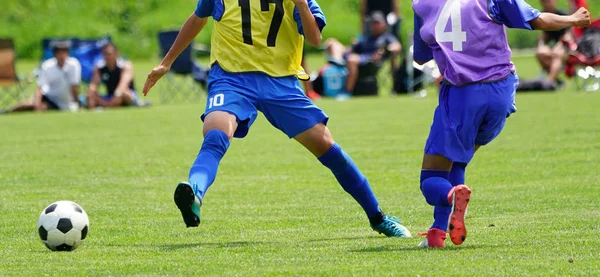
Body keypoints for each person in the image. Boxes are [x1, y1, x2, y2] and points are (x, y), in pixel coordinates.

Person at [142, 0, 411, 237]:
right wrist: (167, 62)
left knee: (328, 148)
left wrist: (302, 4)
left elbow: (315, 39)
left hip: (280, 83)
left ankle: (378, 217)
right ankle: (195, 194)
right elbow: (198, 16)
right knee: (215, 135)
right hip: (232, 79)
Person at [412, 0, 590, 248]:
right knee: (458, 160)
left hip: (462, 96)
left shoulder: (423, 4)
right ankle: (437, 234)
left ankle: (450, 196)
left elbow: (420, 57)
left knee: (431, 178)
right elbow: (535, 19)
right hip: (501, 92)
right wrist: (572, 19)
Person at [9, 41, 81, 113]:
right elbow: (40, 87)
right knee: (28, 105)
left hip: (62, 102)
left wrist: (77, 104)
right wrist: (37, 104)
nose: (61, 55)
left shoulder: (73, 65)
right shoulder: (47, 66)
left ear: (68, 53)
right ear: (55, 54)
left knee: (43, 107)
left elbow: (74, 86)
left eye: (64, 52)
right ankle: (8, 111)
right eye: (59, 52)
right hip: (48, 95)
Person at [342, 11, 401, 95]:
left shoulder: (386, 37)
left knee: (351, 60)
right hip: (361, 57)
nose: (375, 25)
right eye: (373, 23)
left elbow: (397, 46)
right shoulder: (366, 37)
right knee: (333, 44)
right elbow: (353, 48)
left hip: (371, 61)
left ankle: (347, 92)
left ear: (383, 24)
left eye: (377, 23)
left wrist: (386, 49)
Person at [535, 0, 577, 87]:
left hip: (566, 48)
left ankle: (549, 82)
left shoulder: (562, 14)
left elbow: (569, 35)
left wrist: (561, 43)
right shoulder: (542, 16)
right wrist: (542, 39)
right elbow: (545, 35)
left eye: (549, 1)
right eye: (544, 2)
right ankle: (556, 80)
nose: (547, 3)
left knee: (557, 53)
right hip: (552, 46)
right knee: (540, 52)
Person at [87, 43, 137, 108]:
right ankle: (108, 106)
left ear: (116, 54)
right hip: (110, 95)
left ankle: (108, 105)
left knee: (123, 93)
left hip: (126, 94)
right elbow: (94, 84)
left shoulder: (125, 65)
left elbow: (123, 84)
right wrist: (91, 92)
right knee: (90, 96)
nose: (107, 57)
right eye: (104, 54)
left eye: (109, 54)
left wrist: (117, 95)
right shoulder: (99, 67)